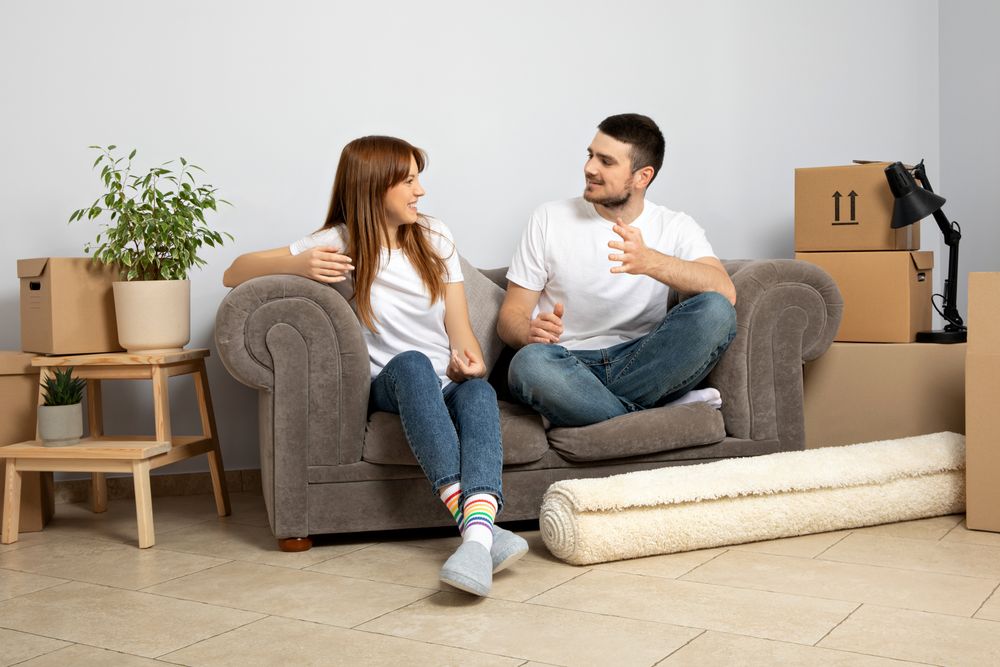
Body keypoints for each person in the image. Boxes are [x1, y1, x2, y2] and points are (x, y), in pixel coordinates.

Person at [223, 135, 527, 596]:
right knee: (412, 364)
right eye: (407, 180)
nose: (419, 190)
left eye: (417, 179)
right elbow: (233, 272)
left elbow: (460, 331)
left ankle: (479, 535)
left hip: (444, 380)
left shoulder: (436, 236)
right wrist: (301, 263)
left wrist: (468, 362)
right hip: (391, 382)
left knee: (480, 391)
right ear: (373, 186)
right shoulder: (338, 243)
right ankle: (479, 528)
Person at [498, 113, 738, 428]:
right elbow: (509, 318)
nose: (589, 168)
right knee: (529, 365)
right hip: (566, 363)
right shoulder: (549, 218)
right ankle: (654, 413)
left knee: (716, 311)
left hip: (641, 362)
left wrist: (651, 261)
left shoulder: (675, 226)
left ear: (642, 177)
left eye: (606, 162)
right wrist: (528, 332)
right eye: (590, 155)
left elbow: (725, 291)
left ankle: (583, 408)